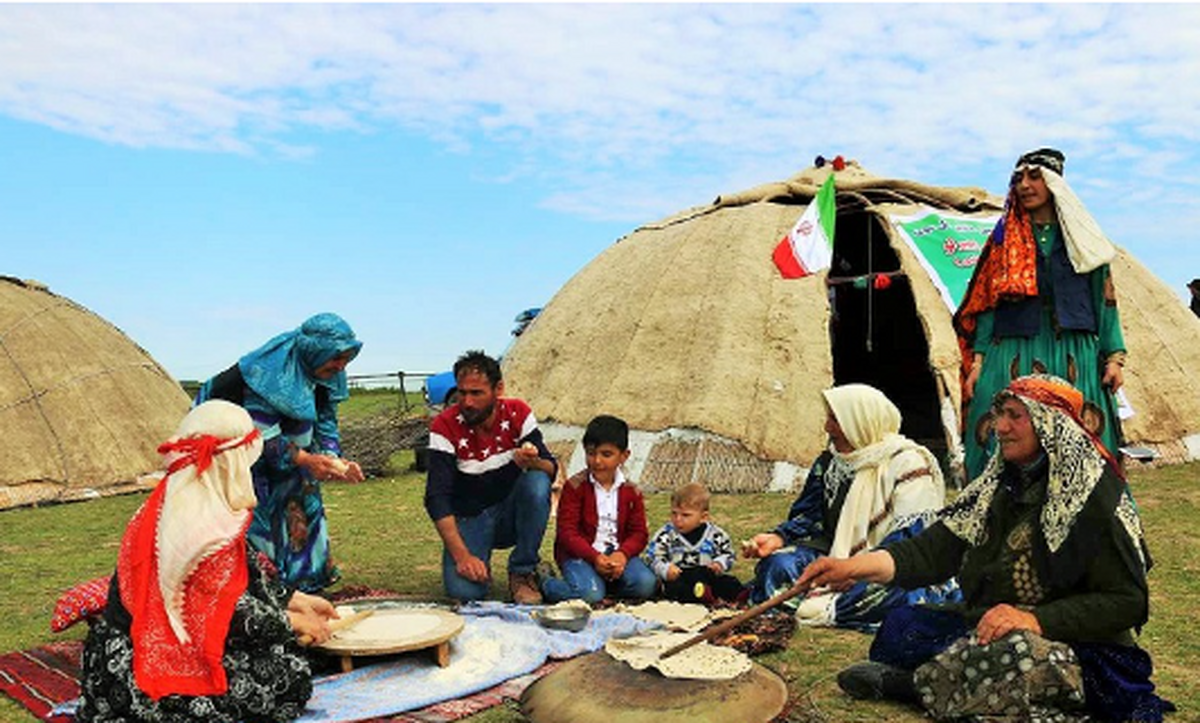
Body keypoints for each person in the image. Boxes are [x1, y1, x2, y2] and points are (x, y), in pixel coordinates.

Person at [801, 375, 1173, 722]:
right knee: (902, 627)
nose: (1000, 427)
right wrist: (851, 567)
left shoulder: (1095, 502)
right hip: (991, 624)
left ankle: (911, 686)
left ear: (1052, 425)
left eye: (1015, 417)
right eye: (999, 415)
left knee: (1016, 655)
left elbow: (1128, 601)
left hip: (1083, 649)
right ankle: (957, 681)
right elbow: (932, 552)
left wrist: (1036, 620)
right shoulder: (995, 488)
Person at [77, 400, 339, 723]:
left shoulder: (187, 496)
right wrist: (293, 622)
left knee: (280, 654)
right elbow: (225, 610)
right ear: (229, 463)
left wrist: (299, 600)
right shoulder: (194, 524)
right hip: (138, 665)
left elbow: (244, 575)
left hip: (138, 648)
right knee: (290, 674)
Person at [956, 148, 1127, 480]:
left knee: (1080, 435)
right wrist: (978, 362)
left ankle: (1084, 522)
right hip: (1011, 351)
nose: (1025, 184)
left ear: (1054, 183)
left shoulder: (1083, 239)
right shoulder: (1003, 239)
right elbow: (989, 303)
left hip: (1073, 352)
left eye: (1035, 176)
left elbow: (1104, 300)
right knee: (1003, 430)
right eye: (1018, 178)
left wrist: (1114, 358)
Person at [743, 383, 959, 629]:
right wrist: (779, 538)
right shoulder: (830, 463)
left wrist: (856, 569)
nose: (827, 427)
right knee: (778, 565)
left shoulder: (909, 464)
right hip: (834, 557)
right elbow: (812, 518)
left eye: (835, 419)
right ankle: (817, 603)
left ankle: (808, 606)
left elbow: (913, 539)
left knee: (901, 595)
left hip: (888, 567)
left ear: (859, 421)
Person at [194, 312, 364, 592]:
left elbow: (326, 420)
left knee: (305, 516)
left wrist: (334, 460)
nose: (341, 366)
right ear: (316, 351)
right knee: (262, 530)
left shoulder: (328, 373)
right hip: (243, 465)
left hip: (295, 465)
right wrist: (308, 459)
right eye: (337, 358)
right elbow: (261, 439)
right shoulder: (266, 375)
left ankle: (307, 587)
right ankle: (271, 596)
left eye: (346, 359)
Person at [424, 350, 557, 604]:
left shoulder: (518, 413)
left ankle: (522, 570)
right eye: (462, 393)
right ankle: (472, 556)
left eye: (476, 393)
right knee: (465, 592)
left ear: (498, 389)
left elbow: (551, 469)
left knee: (537, 482)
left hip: (510, 512)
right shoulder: (444, 425)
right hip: (471, 513)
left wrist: (530, 460)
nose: (467, 402)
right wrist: (462, 556)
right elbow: (436, 498)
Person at [541, 414, 657, 604]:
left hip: (616, 555)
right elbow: (567, 533)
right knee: (590, 594)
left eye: (606, 454)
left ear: (624, 456)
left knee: (646, 585)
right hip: (581, 555)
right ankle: (546, 582)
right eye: (591, 453)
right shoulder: (575, 487)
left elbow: (639, 533)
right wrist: (595, 557)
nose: (597, 461)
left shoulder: (631, 491)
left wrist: (622, 555)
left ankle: (605, 584)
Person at [646, 482, 742, 604]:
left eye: (685, 515)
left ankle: (739, 596)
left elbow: (728, 554)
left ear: (703, 517)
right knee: (676, 588)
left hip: (707, 575)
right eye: (674, 513)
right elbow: (652, 557)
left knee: (729, 582)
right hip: (681, 576)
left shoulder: (716, 535)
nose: (678, 519)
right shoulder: (666, 535)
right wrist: (665, 569)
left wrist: (719, 564)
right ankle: (703, 596)